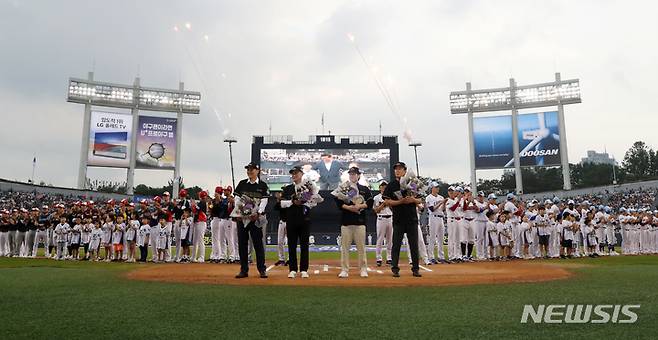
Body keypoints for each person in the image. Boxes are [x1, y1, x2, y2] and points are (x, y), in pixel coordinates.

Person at [280, 165, 322, 278]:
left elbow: (315, 201)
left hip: (304, 219)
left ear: (302, 174)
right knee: (291, 245)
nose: (294, 175)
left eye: (296, 173)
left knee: (304, 246)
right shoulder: (288, 188)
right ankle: (292, 269)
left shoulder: (308, 187)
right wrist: (293, 202)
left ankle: (304, 269)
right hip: (291, 219)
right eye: (292, 173)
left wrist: (306, 201)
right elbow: (281, 203)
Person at [382, 162, 422, 278]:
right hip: (398, 219)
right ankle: (395, 268)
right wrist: (400, 202)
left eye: (400, 169)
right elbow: (387, 201)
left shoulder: (412, 183)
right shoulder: (392, 185)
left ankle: (415, 269)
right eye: (396, 169)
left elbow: (420, 200)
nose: (397, 171)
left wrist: (413, 200)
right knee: (396, 245)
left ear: (405, 171)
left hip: (411, 219)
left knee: (414, 245)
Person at [332, 166, 373, 278]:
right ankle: (344, 269)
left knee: (361, 247)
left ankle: (363, 269)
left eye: (354, 174)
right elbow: (339, 204)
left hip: (360, 222)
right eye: (351, 174)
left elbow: (370, 204)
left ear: (359, 175)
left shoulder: (364, 189)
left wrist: (360, 206)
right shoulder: (343, 188)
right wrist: (349, 208)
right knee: (345, 248)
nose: (352, 175)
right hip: (346, 222)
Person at [233, 162, 270, 279]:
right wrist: (238, 212)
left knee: (258, 244)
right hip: (242, 219)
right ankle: (243, 269)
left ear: (257, 171)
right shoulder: (242, 184)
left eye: (252, 169)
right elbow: (237, 199)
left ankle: (262, 269)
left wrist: (258, 213)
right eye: (248, 169)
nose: (249, 171)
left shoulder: (263, 185)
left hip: (255, 219)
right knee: (242, 244)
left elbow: (264, 201)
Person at [373, 181, 393, 266]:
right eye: (382, 186)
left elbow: (394, 208)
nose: (384, 187)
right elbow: (376, 210)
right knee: (380, 238)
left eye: (385, 186)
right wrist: (384, 204)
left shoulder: (391, 197)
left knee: (390, 239)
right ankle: (379, 258)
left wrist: (389, 203)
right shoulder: (377, 198)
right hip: (381, 218)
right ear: (380, 187)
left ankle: (389, 257)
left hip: (390, 217)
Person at [192, 191, 209, 263]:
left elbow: (196, 210)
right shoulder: (202, 202)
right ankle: (193, 257)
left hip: (201, 221)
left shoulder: (202, 203)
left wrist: (193, 204)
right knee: (196, 240)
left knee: (200, 240)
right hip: (198, 221)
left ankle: (201, 257)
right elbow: (195, 210)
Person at [273, 191, 288, 267]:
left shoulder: (289, 201)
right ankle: (281, 259)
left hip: (289, 222)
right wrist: (278, 200)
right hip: (282, 222)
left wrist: (280, 199)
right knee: (280, 241)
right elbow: (275, 208)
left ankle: (290, 259)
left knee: (290, 242)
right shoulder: (280, 202)